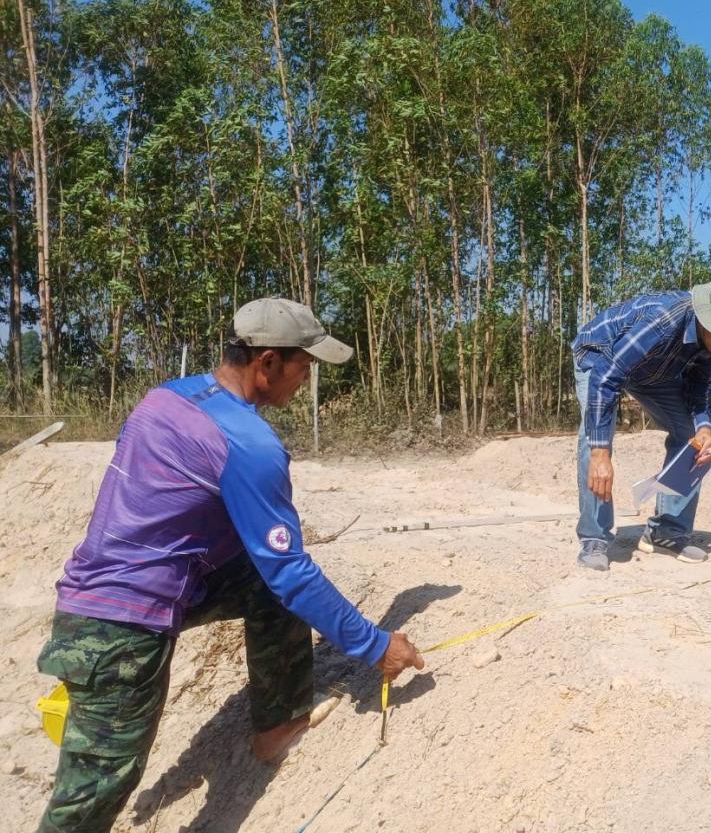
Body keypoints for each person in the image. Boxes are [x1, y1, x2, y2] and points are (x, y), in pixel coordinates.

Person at [34, 298, 425, 833]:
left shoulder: (166, 398)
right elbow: (291, 570)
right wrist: (376, 645)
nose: (307, 380)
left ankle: (275, 727)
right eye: (304, 367)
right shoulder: (248, 444)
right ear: (267, 362)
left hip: (141, 587)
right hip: (120, 623)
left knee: (262, 580)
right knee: (96, 792)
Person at [571, 277, 711, 571]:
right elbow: (607, 377)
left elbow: (701, 384)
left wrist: (704, 427)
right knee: (595, 437)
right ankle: (595, 537)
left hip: (655, 372)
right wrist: (601, 453)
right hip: (601, 357)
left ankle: (667, 531)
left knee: (692, 439)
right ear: (708, 316)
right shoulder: (662, 320)